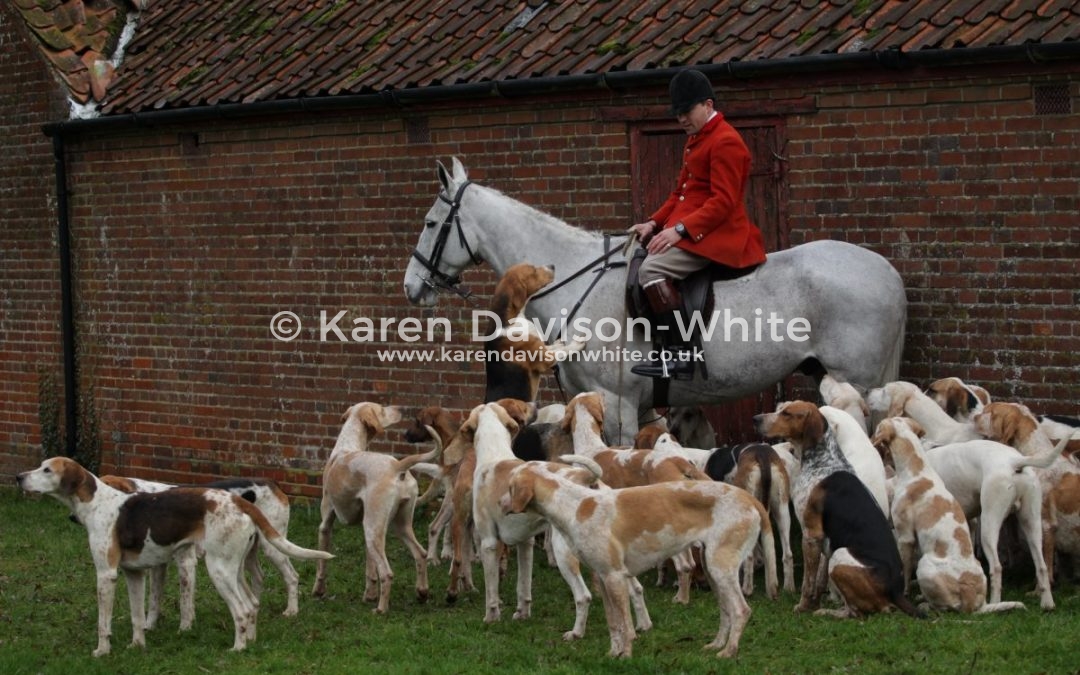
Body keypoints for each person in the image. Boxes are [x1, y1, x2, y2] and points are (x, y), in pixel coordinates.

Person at [629, 68, 767, 379]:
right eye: (677, 112)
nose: (681, 118)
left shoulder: (726, 141)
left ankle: (682, 354)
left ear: (707, 104)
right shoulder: (697, 138)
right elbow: (680, 194)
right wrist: (653, 223)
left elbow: (723, 202)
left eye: (687, 111)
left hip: (718, 233)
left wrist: (680, 230)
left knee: (651, 270)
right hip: (695, 228)